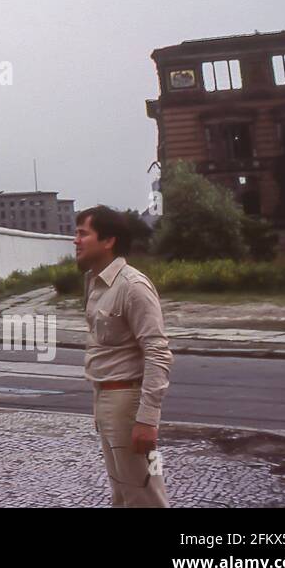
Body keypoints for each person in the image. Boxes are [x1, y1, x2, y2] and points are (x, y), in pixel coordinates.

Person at [74, 205, 172, 507]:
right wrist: (100, 409)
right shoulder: (96, 282)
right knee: (124, 495)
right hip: (107, 401)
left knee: (144, 497)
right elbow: (105, 350)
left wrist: (147, 419)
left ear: (108, 241)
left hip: (127, 403)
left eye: (82, 233)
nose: (75, 240)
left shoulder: (132, 286)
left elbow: (157, 351)